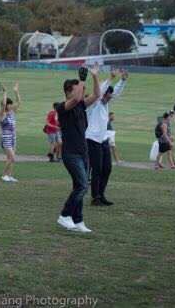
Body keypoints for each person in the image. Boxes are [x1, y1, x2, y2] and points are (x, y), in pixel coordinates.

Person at [56, 63, 101, 233]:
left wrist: (95, 75)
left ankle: (78, 220)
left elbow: (97, 94)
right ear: (68, 91)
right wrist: (82, 79)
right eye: (78, 89)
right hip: (71, 154)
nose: (82, 92)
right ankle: (64, 215)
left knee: (78, 186)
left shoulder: (81, 105)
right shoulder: (62, 107)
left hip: (83, 153)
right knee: (83, 186)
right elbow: (74, 100)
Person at [85, 68, 127, 206]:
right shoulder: (94, 104)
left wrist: (123, 80)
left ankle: (101, 194)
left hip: (103, 140)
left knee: (107, 168)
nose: (110, 98)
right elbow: (101, 91)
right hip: (92, 139)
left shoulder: (106, 103)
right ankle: (95, 197)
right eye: (108, 95)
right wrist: (110, 77)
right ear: (103, 95)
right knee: (97, 169)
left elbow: (116, 92)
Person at [0, 83, 21, 182]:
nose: (11, 105)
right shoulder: (2, 114)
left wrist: (16, 91)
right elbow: (3, 104)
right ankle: (3, 175)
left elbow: (19, 102)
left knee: (10, 158)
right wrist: (5, 92)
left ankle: (9, 175)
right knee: (12, 158)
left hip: (13, 137)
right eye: (9, 104)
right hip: (6, 138)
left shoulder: (11, 112)